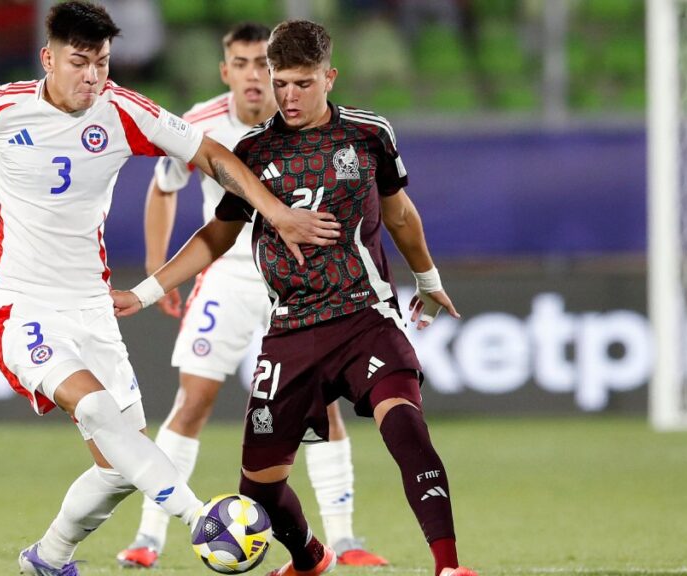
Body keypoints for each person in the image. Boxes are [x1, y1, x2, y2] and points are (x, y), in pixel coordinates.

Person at [0, 3, 340, 575]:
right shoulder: (3, 106)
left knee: (118, 464)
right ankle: (198, 517)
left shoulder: (122, 113)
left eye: (103, 64)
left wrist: (275, 211)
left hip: (93, 306)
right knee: (99, 411)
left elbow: (209, 154)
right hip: (20, 305)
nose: (92, 77)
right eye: (79, 62)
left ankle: (48, 557)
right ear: (49, 58)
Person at [112, 19, 477, 576]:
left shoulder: (369, 135)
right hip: (292, 328)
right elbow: (217, 233)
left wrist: (428, 280)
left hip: (364, 316)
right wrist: (148, 288)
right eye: (280, 82)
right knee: (258, 486)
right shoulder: (251, 151)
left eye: (301, 83)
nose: (287, 95)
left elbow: (400, 213)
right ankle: (311, 559)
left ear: (329, 77)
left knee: (403, 421)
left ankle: (447, 565)